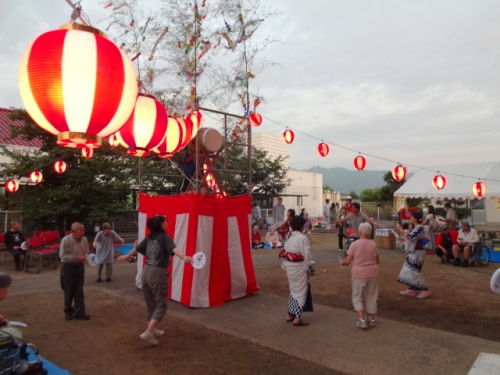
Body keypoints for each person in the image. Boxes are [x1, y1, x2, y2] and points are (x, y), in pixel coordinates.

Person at [117, 216, 192, 345]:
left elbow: (137, 248)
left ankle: (152, 330)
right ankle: (148, 332)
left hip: (146, 272)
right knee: (161, 304)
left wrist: (126, 256)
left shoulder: (149, 238)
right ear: (162, 224)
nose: (167, 223)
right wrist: (184, 257)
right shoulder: (164, 237)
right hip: (157, 272)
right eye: (165, 221)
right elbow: (174, 249)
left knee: (151, 303)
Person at [341, 223, 380, 329]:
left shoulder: (354, 244)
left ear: (360, 232)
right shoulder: (373, 244)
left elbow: (348, 261)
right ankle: (371, 319)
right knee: (371, 296)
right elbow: (377, 260)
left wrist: (342, 263)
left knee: (357, 296)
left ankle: (362, 320)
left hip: (359, 273)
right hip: (373, 272)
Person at [280, 215, 314, 326]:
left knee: (293, 290)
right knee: (301, 291)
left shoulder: (288, 236)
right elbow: (307, 255)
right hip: (299, 267)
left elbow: (284, 251)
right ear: (302, 226)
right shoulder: (302, 238)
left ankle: (290, 314)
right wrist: (308, 267)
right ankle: (297, 318)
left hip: (289, 266)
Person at [395, 211, 432, 298]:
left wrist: (401, 230)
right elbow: (412, 239)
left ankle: (425, 289)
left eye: (412, 217)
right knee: (409, 270)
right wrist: (404, 238)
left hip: (417, 253)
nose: (410, 218)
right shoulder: (418, 228)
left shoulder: (419, 228)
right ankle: (411, 289)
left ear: (415, 219)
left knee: (413, 271)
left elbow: (411, 238)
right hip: (415, 252)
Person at [60, 222, 91, 321]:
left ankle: (79, 312)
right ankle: (68, 311)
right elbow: (63, 256)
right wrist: (77, 257)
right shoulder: (66, 240)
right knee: (69, 290)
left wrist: (86, 257)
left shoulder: (84, 239)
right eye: (80, 230)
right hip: (68, 268)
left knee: (79, 290)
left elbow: (86, 251)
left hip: (79, 267)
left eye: (83, 230)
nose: (82, 232)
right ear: (73, 231)